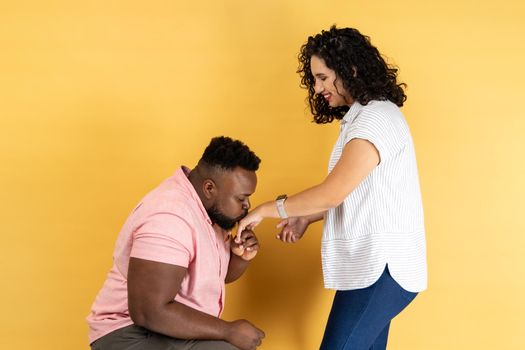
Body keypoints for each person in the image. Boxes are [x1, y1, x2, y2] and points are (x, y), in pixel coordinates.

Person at [236, 26, 427, 350]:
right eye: (313, 79)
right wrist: (307, 217)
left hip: (382, 269)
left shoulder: (375, 118)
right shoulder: (365, 118)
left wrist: (268, 209)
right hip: (375, 269)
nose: (317, 87)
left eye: (323, 77)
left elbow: (333, 191)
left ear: (350, 70)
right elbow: (359, 191)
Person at [87, 136, 265, 350]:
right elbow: (148, 311)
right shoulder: (170, 216)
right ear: (209, 188)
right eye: (241, 198)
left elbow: (215, 278)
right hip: (128, 332)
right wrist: (228, 330)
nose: (248, 206)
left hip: (167, 327)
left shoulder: (209, 211)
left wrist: (240, 257)